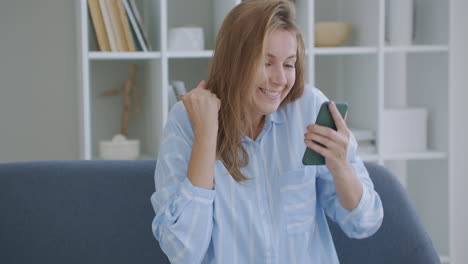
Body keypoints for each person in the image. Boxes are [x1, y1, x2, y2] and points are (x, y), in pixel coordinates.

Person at [151, 0, 383, 263]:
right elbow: (183, 251)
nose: (281, 80)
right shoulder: (185, 122)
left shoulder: (308, 108)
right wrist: (206, 135)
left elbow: (366, 222)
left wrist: (341, 165)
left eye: (288, 64)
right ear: (234, 62)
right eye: (267, 62)